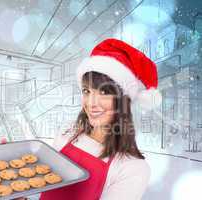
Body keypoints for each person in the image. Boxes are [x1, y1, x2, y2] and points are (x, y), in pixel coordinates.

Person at [38, 38, 162, 200]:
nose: (91, 103)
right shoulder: (67, 133)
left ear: (123, 100)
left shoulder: (132, 168)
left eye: (104, 92)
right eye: (87, 91)